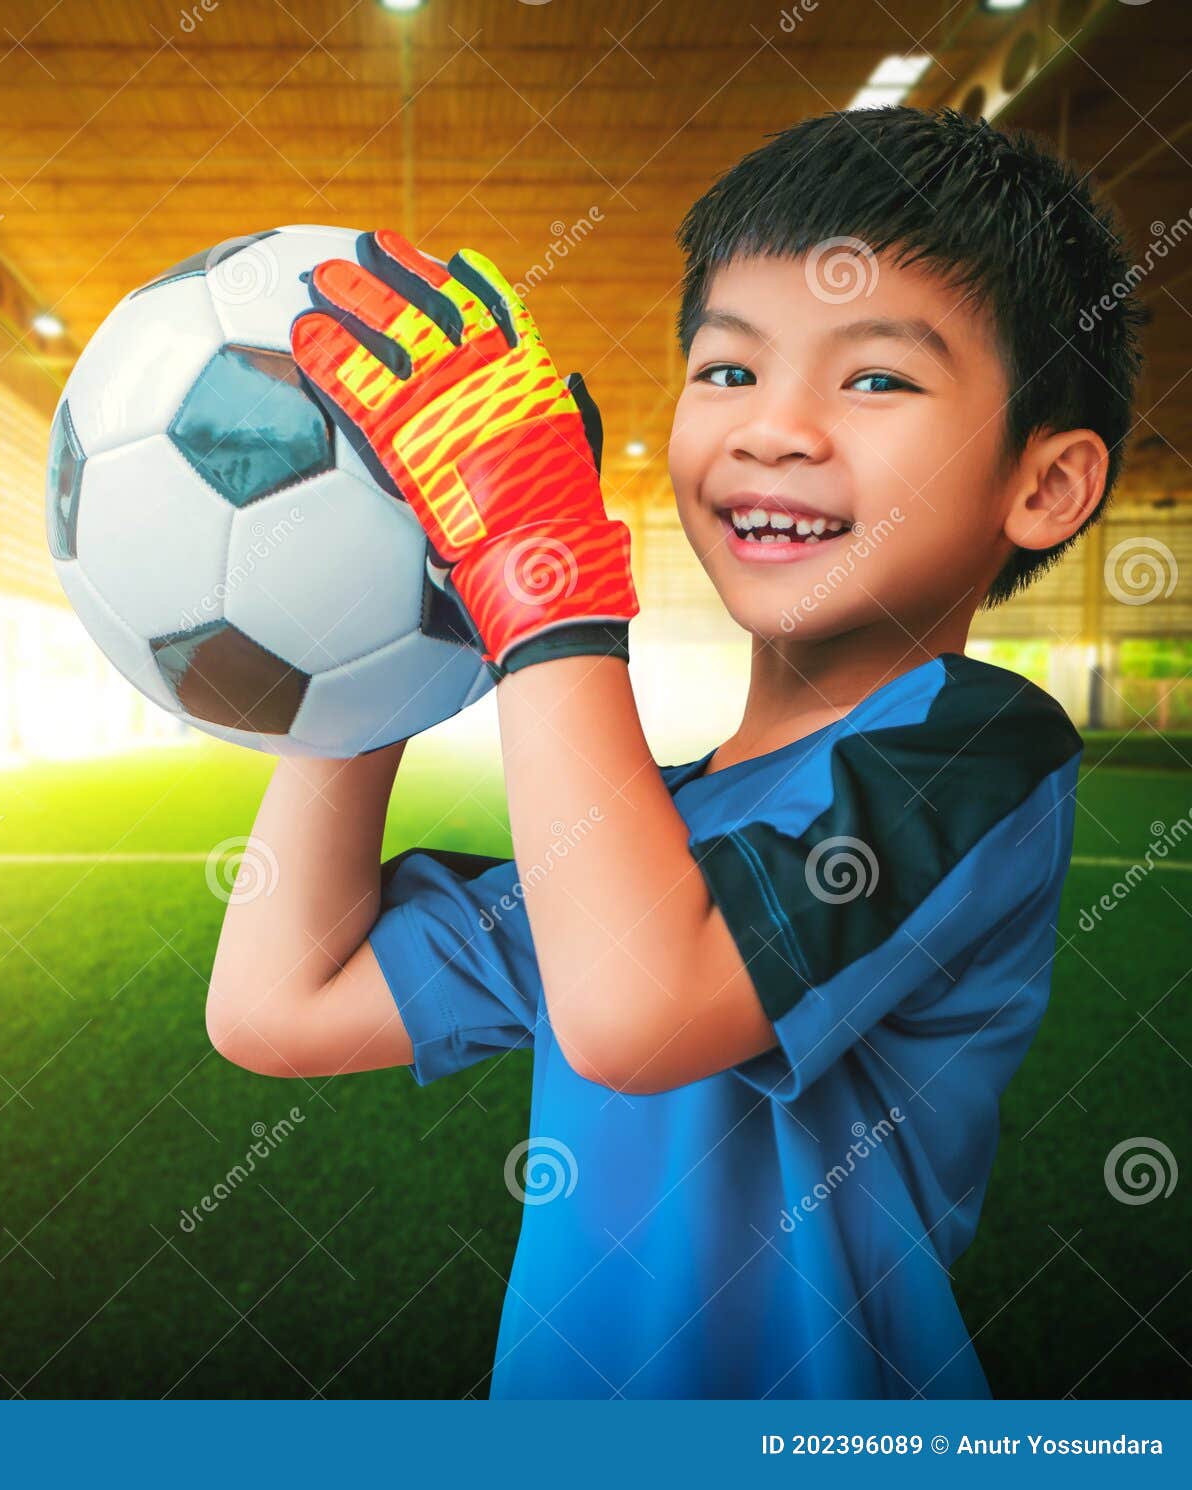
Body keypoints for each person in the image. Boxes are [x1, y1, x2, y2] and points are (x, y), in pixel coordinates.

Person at [205, 105, 1145, 1399]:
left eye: (875, 377)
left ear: (1041, 486)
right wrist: (379, 611)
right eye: (728, 370)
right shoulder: (636, 851)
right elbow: (274, 1004)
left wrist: (541, 579)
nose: (774, 429)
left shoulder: (983, 749)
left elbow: (640, 1009)